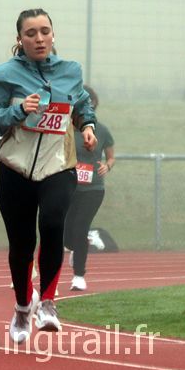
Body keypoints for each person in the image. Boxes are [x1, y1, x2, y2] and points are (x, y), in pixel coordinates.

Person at [0, 8, 97, 343]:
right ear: (19, 39)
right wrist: (18, 110)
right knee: (22, 244)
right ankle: (22, 307)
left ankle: (48, 303)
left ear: (53, 35)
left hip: (59, 166)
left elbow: (81, 102)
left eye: (45, 31)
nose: (39, 39)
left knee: (54, 223)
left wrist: (87, 125)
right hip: (17, 170)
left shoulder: (70, 71)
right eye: (31, 33)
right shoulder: (3, 76)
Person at [63, 85, 114, 291]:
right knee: (67, 233)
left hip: (93, 189)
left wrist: (107, 166)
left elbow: (111, 157)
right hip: (68, 187)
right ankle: (76, 246)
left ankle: (79, 276)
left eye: (89, 104)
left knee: (80, 227)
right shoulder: (65, 128)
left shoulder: (102, 130)